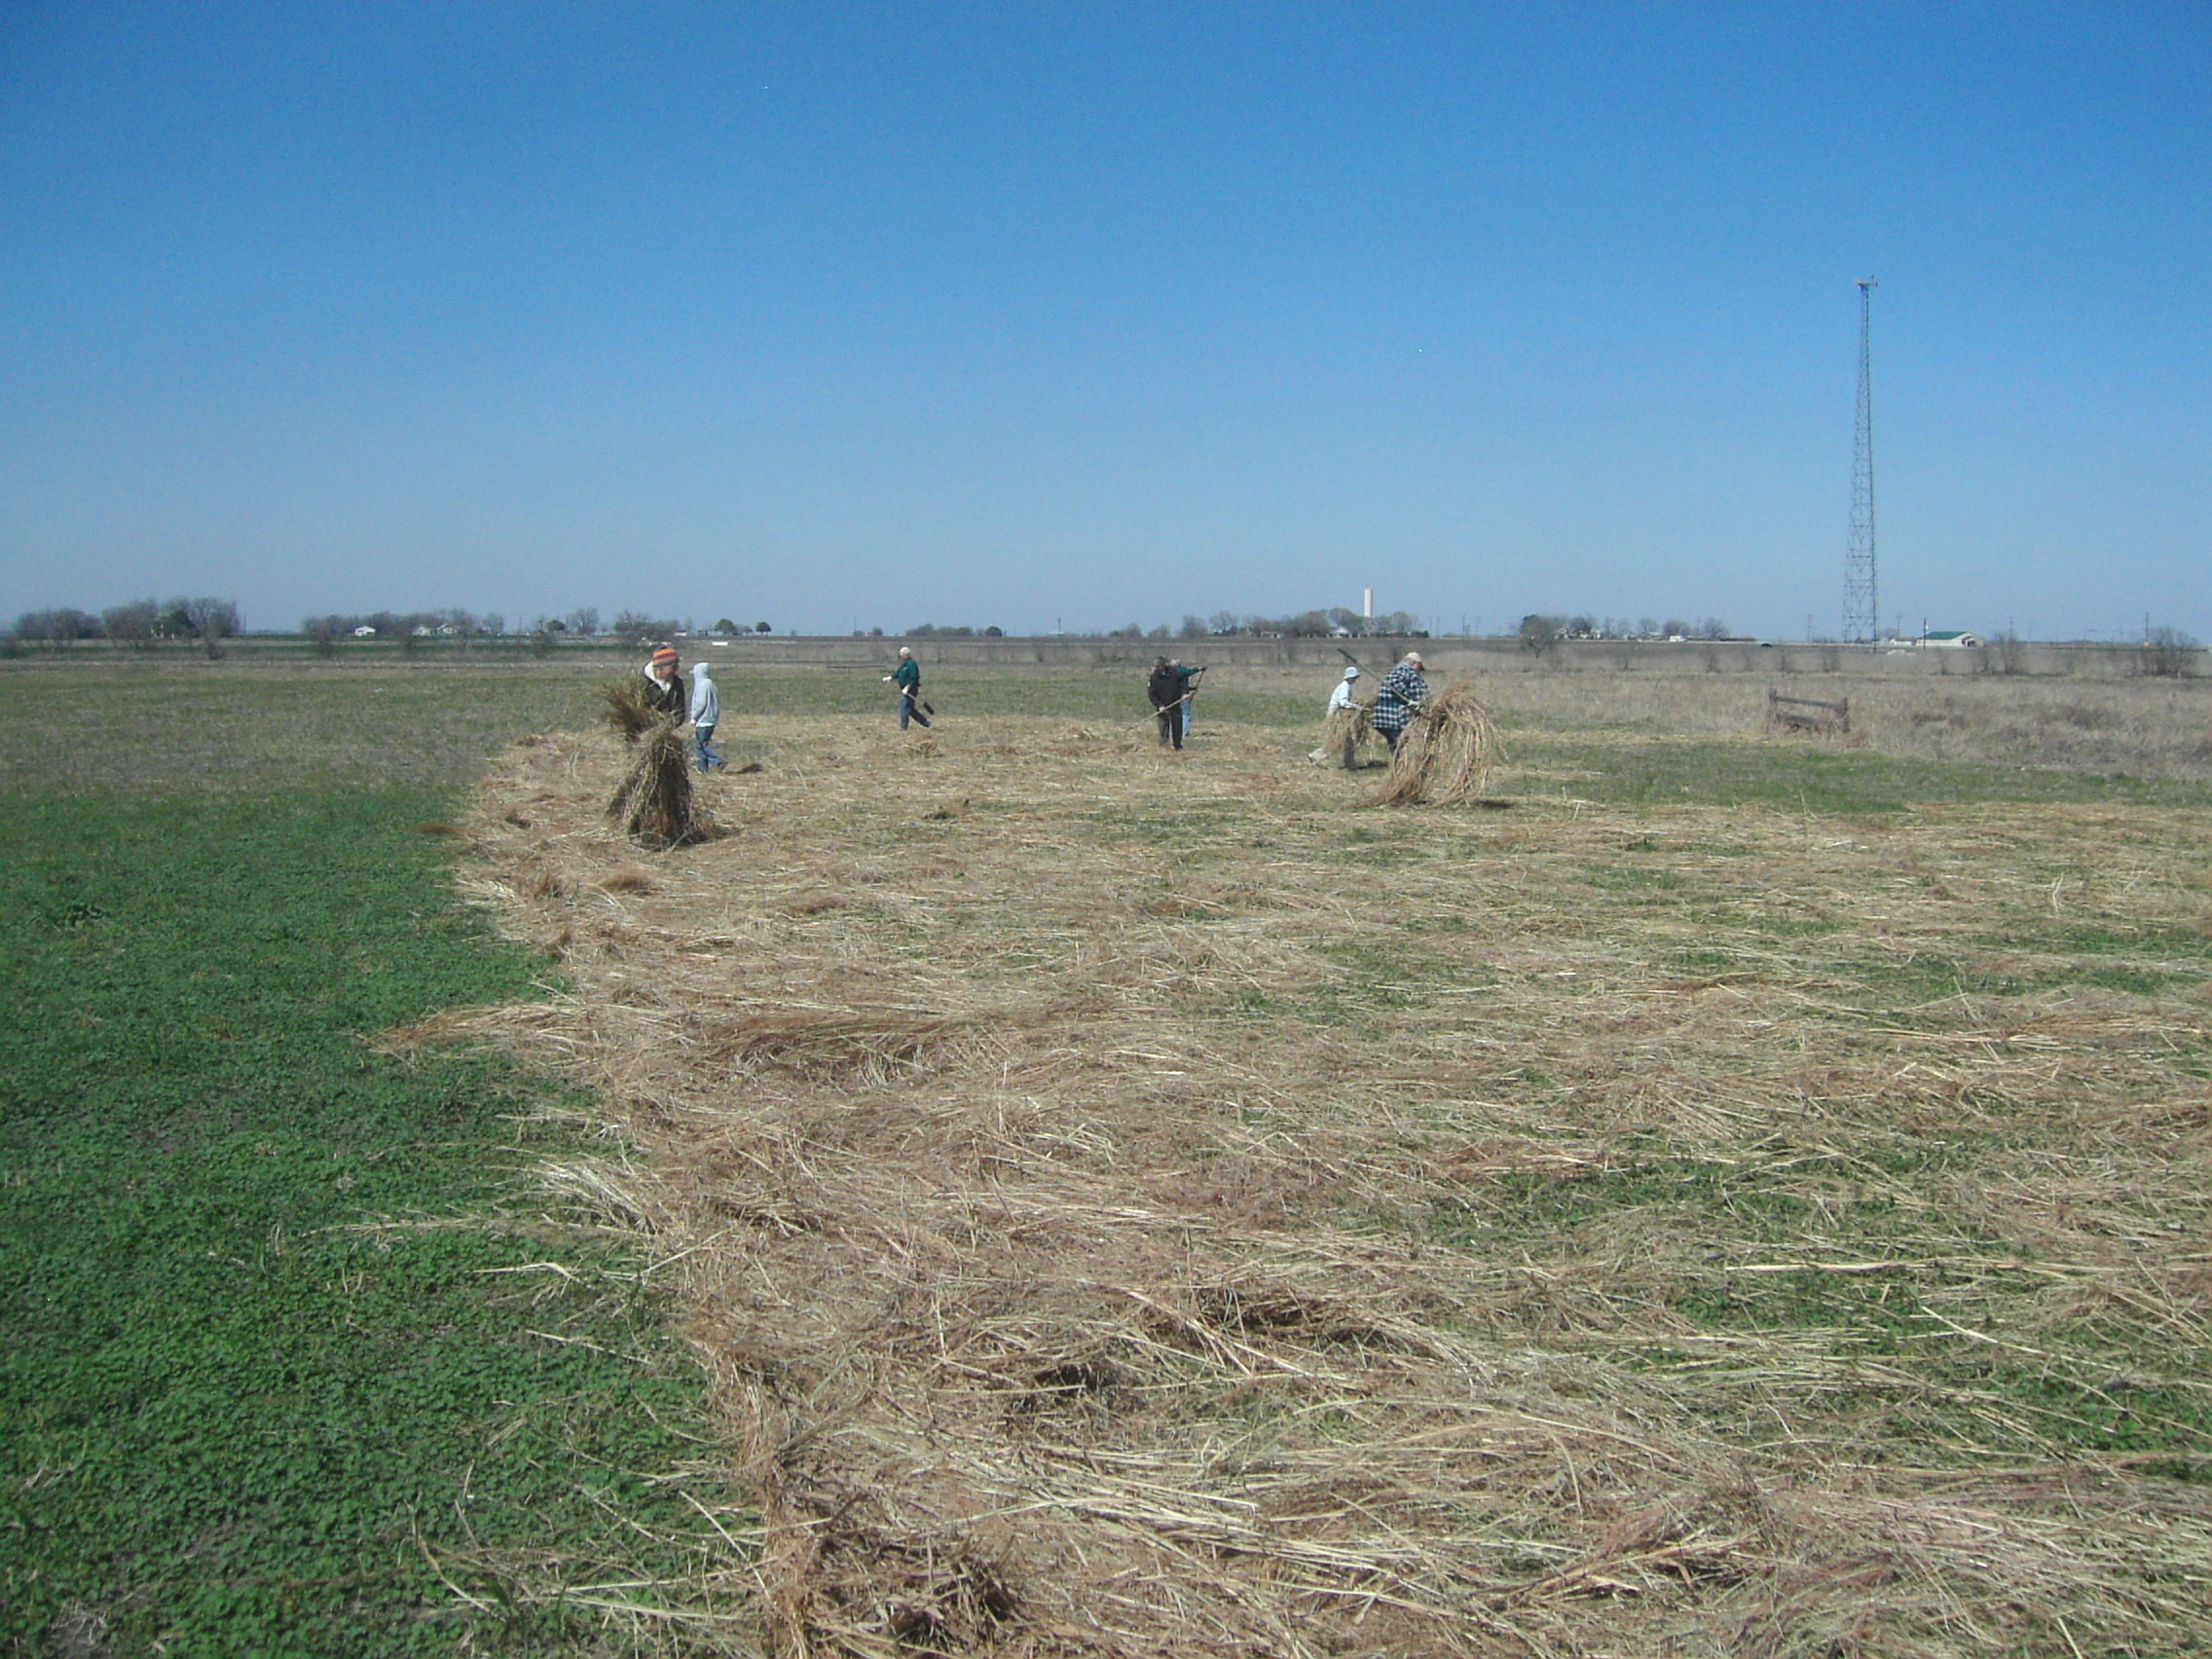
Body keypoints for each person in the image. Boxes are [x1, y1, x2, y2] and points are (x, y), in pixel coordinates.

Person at [1370, 650, 1428, 755]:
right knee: (1400, 743)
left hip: (1383, 718)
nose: (1419, 671)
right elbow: (1419, 692)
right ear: (1415, 664)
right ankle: (1400, 765)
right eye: (1419, 667)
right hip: (1395, 717)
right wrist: (1413, 699)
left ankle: (1396, 764)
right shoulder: (1409, 672)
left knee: (1394, 743)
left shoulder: (1396, 671)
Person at [882, 645, 932, 729]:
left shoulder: (911, 664)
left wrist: (907, 687)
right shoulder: (904, 665)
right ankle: (925, 723)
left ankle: (903, 727)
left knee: (904, 708)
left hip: (911, 690)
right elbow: (898, 673)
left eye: (902, 655)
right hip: (905, 690)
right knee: (910, 709)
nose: (900, 656)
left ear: (907, 655)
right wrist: (890, 677)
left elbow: (914, 677)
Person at [1327, 664, 1365, 769]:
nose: (1356, 679)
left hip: (1339, 717)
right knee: (1341, 742)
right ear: (1351, 677)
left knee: (1346, 742)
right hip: (1336, 718)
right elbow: (1343, 703)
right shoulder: (1345, 687)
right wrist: (1357, 707)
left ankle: (1350, 764)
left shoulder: (1346, 686)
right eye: (1355, 677)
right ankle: (1316, 756)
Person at [689, 659, 723, 771]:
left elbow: (701, 703)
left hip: (703, 720)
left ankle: (718, 761)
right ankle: (702, 769)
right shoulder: (711, 684)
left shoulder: (702, 685)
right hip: (711, 719)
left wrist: (694, 716)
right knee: (701, 746)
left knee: (701, 746)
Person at [1147, 656, 1185, 750]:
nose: (1158, 668)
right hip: (1162, 706)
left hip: (1175, 703)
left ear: (1164, 665)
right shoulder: (1154, 677)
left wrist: (1184, 693)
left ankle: (1177, 745)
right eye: (1156, 666)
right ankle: (1164, 746)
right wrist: (1159, 705)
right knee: (1163, 726)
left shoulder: (1174, 673)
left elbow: (1182, 684)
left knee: (1177, 726)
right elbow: (1152, 694)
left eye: (1159, 666)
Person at [643, 645, 688, 721]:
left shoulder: (677, 684)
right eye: (673, 666)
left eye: (677, 666)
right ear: (661, 667)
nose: (676, 670)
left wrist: (669, 724)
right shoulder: (642, 682)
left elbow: (680, 711)